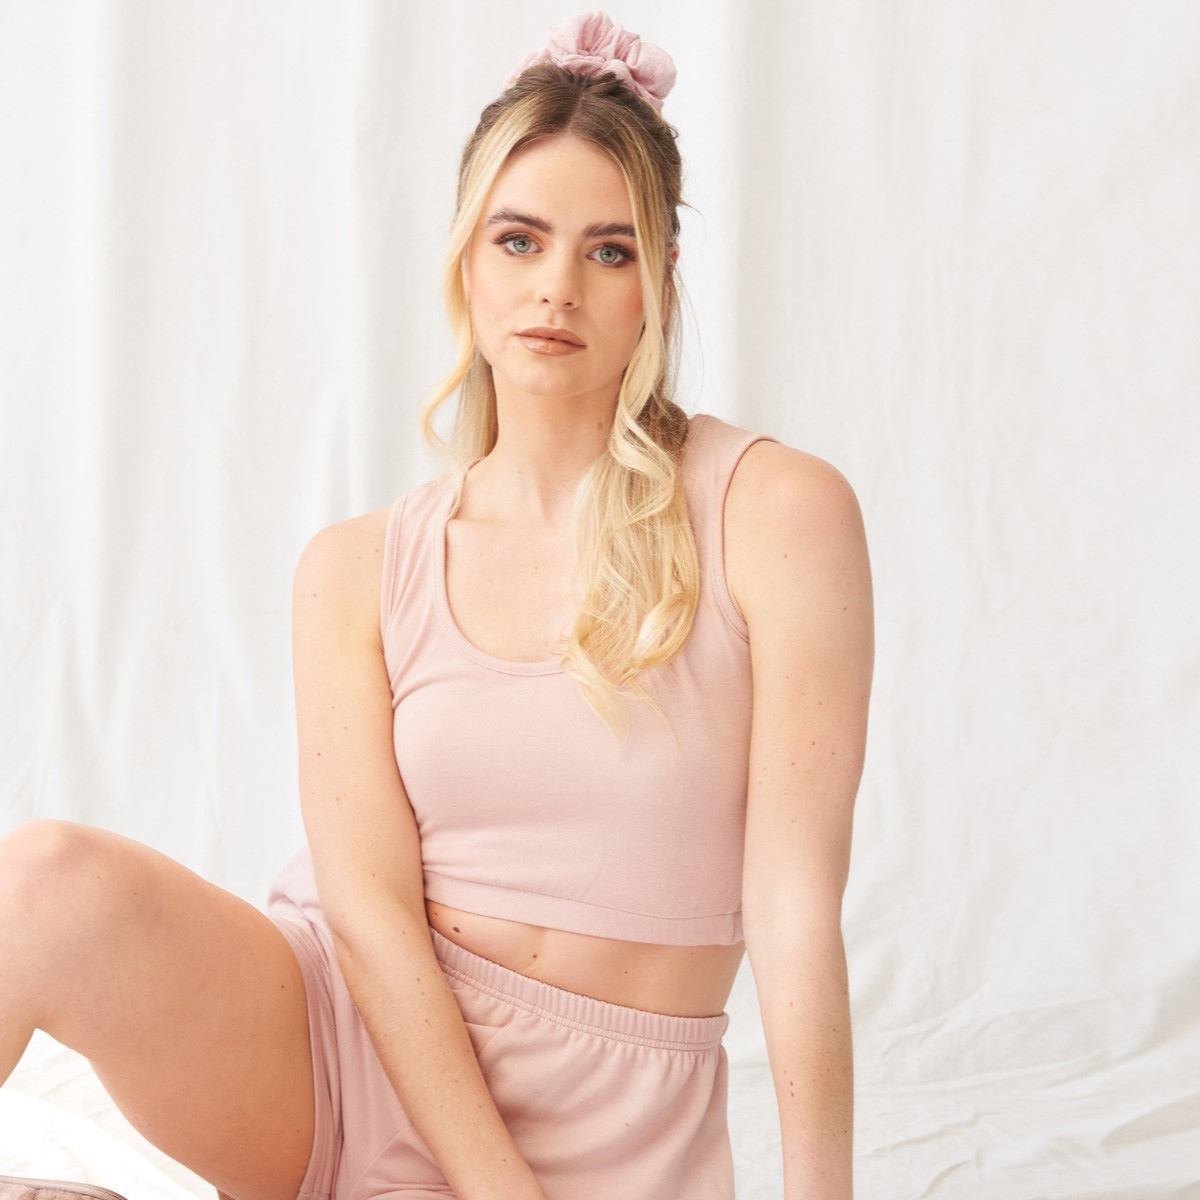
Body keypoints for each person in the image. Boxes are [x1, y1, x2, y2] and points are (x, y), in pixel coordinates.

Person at [0, 12, 872, 1200]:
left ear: (659, 281)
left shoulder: (775, 513)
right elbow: (366, 912)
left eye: (609, 251)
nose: (556, 287)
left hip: (612, 1128)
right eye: (519, 240)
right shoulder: (355, 568)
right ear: (469, 261)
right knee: (43, 884)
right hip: (340, 1050)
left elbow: (794, 904)